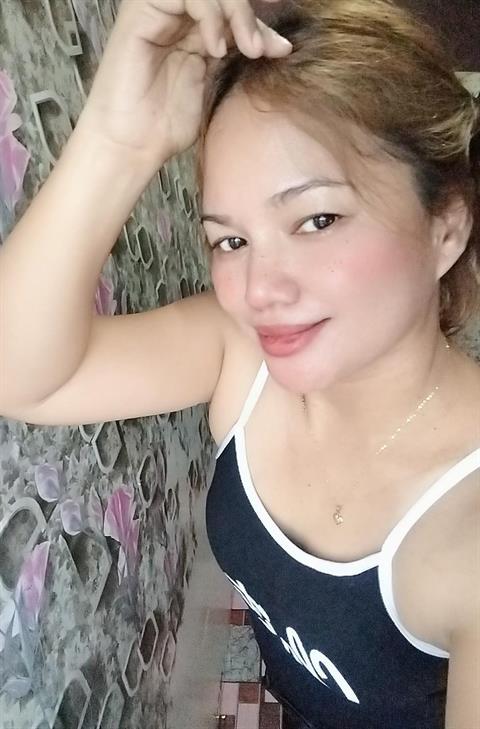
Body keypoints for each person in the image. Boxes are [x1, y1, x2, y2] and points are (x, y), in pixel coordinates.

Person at [0, 0, 478, 727]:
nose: (259, 291)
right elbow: (22, 377)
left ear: (446, 227)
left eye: (317, 219)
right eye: (231, 240)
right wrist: (118, 141)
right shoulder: (240, 353)